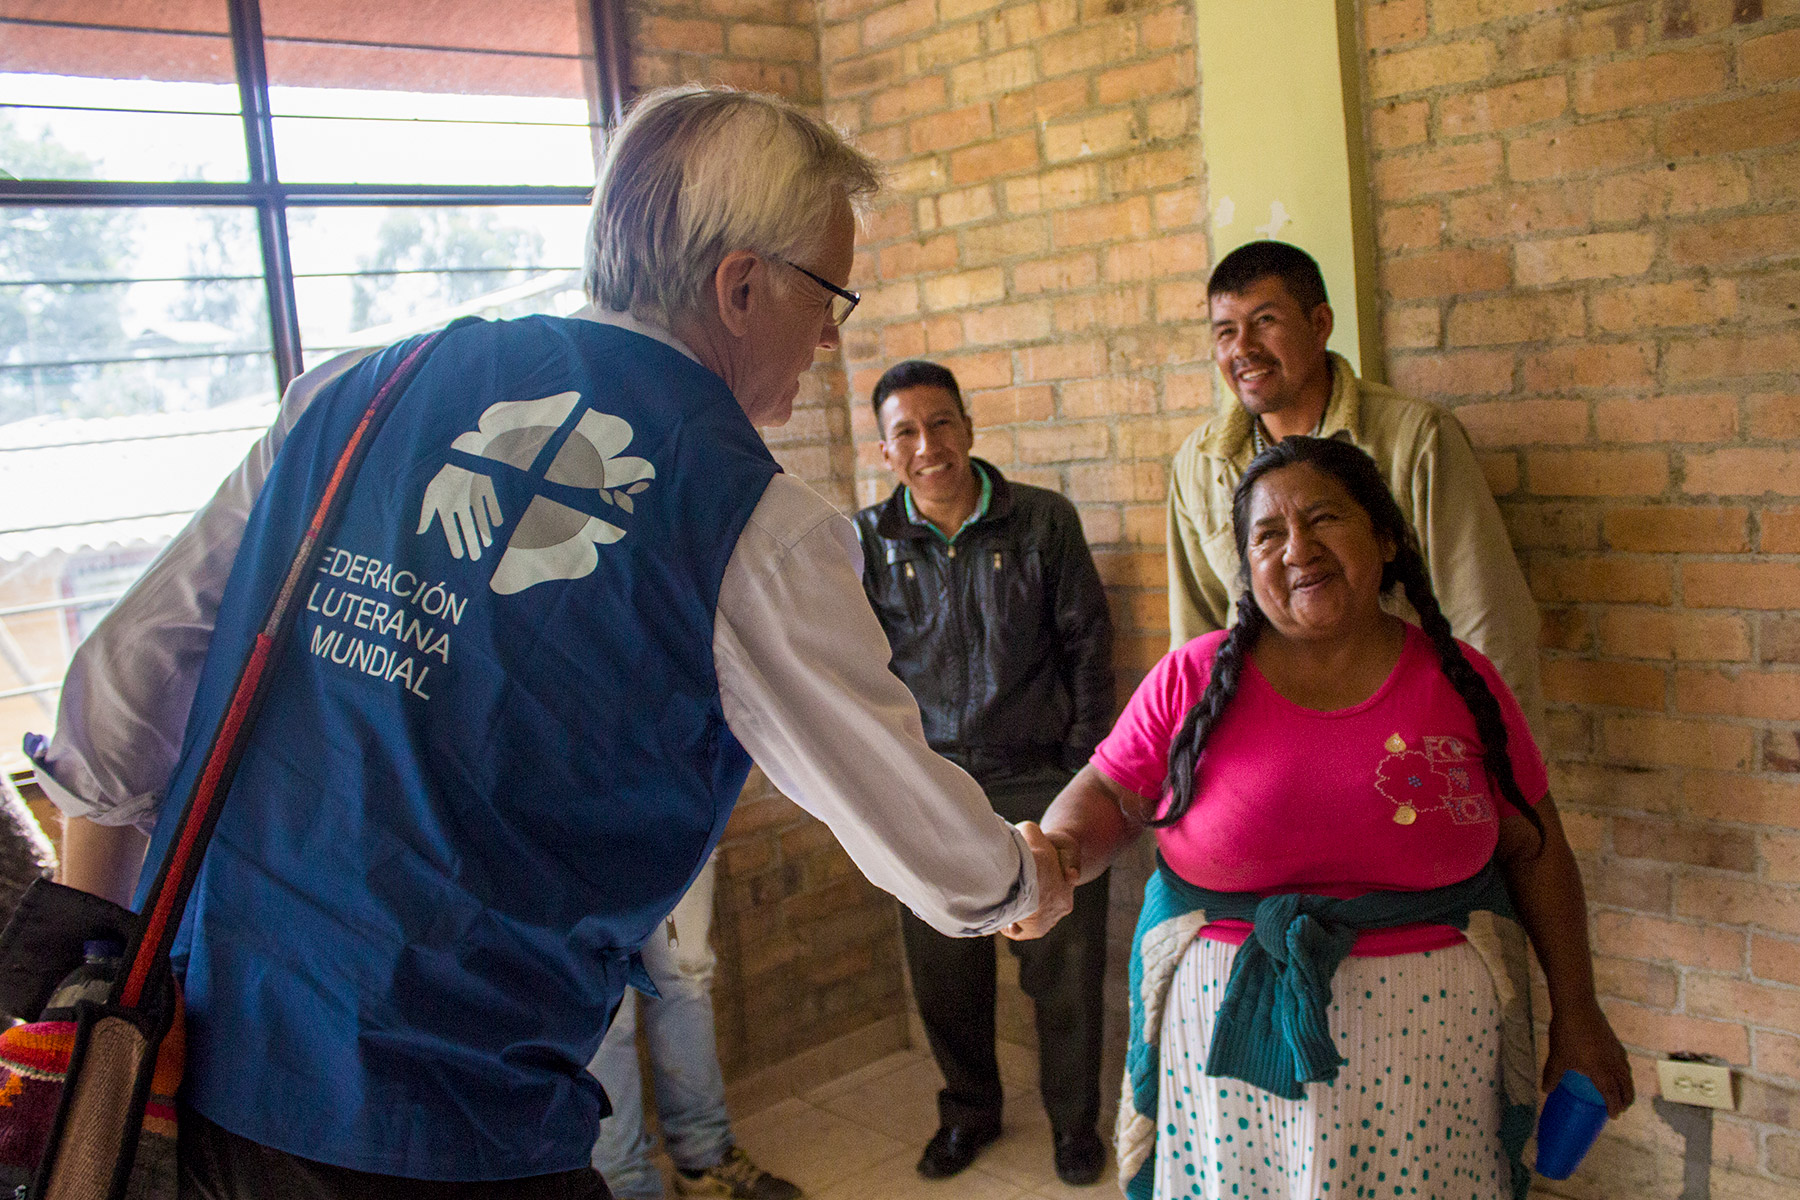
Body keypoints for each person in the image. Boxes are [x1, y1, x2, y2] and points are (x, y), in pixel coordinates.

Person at [28, 86, 1075, 1199]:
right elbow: (901, 816)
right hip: (446, 1126)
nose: (830, 333)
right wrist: (1021, 881)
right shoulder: (753, 525)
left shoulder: (356, 390)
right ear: (740, 284)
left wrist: (100, 986)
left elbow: (122, 681)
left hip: (201, 1070)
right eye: (831, 294)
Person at [1017, 436, 1631, 1200]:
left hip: (1432, 1047)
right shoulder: (1192, 677)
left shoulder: (1461, 681)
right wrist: (1060, 850)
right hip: (1227, 1034)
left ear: (1385, 538)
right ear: (1248, 566)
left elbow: (1538, 852)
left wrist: (1581, 1013)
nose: (1297, 548)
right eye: (1267, 535)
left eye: (1323, 519)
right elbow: (1108, 792)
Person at [854, 360, 1114, 1186]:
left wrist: (1081, 778)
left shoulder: (1041, 522)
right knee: (946, 975)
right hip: (930, 797)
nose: (927, 446)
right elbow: (855, 673)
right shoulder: (864, 542)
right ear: (885, 449)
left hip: (1042, 780)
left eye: (941, 424)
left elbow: (1089, 652)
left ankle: (1076, 1124)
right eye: (906, 431)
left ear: (967, 427)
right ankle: (970, 1112)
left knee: (1064, 973)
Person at [1166, 240, 1544, 734]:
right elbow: (1197, 633)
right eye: (1225, 331)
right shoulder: (1199, 463)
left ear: (1320, 324)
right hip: (1272, 744)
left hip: (1405, 731)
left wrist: (1498, 768)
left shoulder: (1416, 440)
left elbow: (1487, 620)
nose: (1243, 349)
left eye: (1265, 321)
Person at [586, 854, 799, 1200]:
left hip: (675, 820)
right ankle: (624, 1186)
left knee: (686, 979)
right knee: (604, 1011)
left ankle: (703, 1159)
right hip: (576, 830)